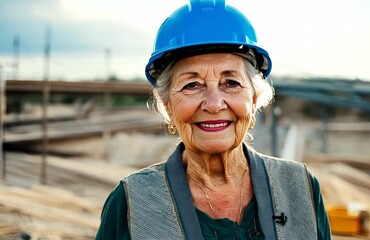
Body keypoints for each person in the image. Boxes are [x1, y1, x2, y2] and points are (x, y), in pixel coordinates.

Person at [96, 0, 332, 239]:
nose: (213, 104)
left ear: (253, 99)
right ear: (168, 106)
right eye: (192, 85)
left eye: (231, 83)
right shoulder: (131, 203)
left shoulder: (301, 189)